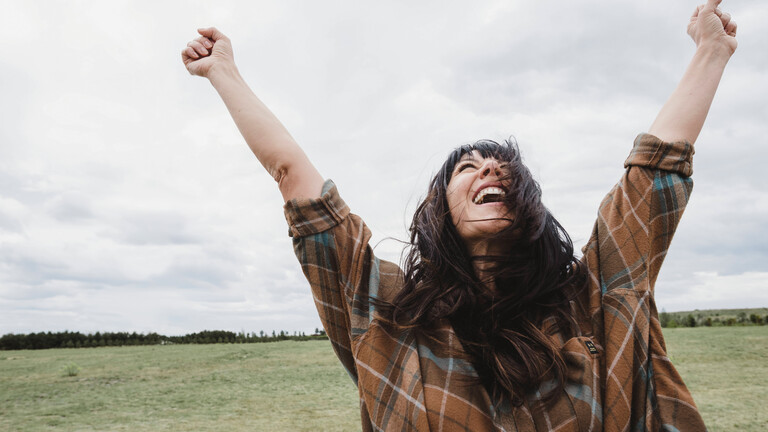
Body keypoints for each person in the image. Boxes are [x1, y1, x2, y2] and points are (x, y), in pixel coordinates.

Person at [182, 0, 737, 430]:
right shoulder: (385, 310)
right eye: (467, 168)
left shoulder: (591, 301)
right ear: (439, 209)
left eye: (503, 168)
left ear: (530, 207)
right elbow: (298, 185)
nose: (490, 171)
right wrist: (223, 72)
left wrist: (710, 51)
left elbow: (653, 177)